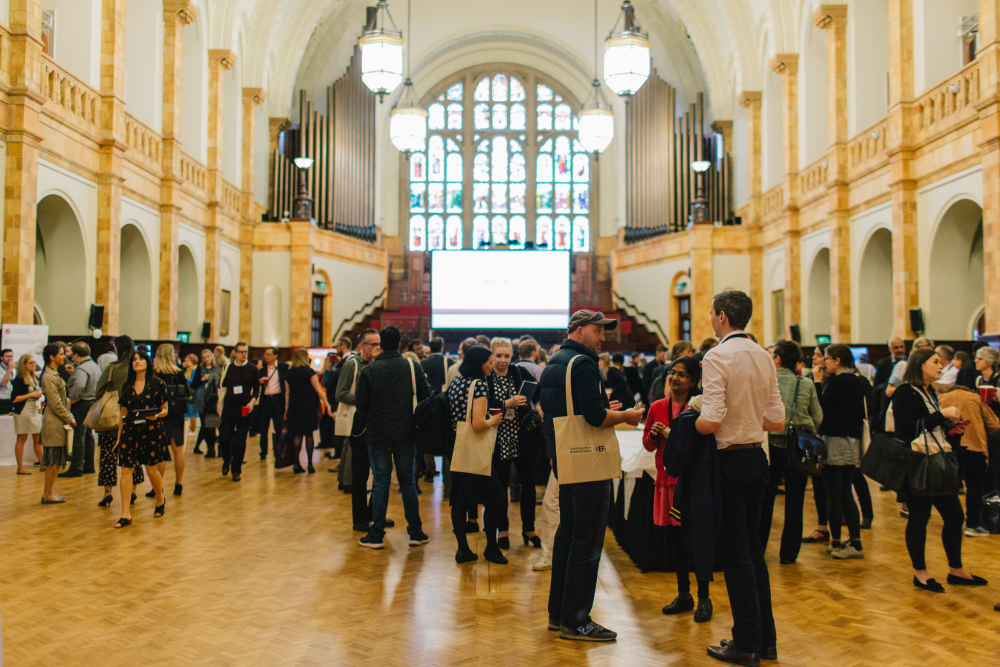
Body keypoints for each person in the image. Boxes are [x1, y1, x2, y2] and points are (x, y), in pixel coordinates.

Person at [540, 309, 643, 642]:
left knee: (568, 537)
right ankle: (578, 620)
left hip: (567, 459)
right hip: (588, 464)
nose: (603, 338)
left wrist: (554, 456)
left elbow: (551, 415)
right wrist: (627, 414)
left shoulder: (555, 361)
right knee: (586, 541)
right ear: (580, 330)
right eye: (599, 331)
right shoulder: (584, 365)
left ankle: (559, 614)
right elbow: (596, 417)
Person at [696, 291, 785, 666]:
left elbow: (712, 420)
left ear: (721, 317)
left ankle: (745, 643)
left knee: (735, 556)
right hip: (757, 458)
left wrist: (692, 417)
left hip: (729, 463)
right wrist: (747, 417)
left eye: (712, 315)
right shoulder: (764, 354)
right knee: (754, 554)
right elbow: (777, 419)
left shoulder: (717, 355)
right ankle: (765, 640)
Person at [891, 348, 986, 592]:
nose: (940, 365)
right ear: (919, 365)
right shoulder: (905, 392)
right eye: (935, 362)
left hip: (938, 461)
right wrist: (941, 414)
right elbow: (906, 430)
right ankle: (920, 573)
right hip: (919, 463)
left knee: (955, 517)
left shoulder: (929, 391)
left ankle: (956, 570)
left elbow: (934, 429)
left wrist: (954, 430)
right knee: (919, 519)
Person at [643, 357, 712, 621]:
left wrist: (674, 436)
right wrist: (653, 436)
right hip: (666, 480)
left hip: (691, 483)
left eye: (682, 375)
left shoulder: (700, 408)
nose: (674, 378)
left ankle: (704, 597)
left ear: (693, 382)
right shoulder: (658, 406)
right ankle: (684, 594)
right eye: (673, 373)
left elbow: (702, 446)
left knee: (696, 541)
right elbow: (648, 445)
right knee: (676, 544)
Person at [354, 326, 431, 549]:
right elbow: (426, 395)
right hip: (406, 433)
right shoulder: (411, 366)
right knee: (407, 483)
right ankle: (416, 532)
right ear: (399, 344)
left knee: (380, 483)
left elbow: (361, 406)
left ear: (380, 346)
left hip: (377, 435)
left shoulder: (370, 370)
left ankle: (376, 534)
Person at [759, 340, 822, 565]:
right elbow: (817, 418)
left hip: (771, 445)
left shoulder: (766, 381)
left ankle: (759, 550)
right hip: (799, 447)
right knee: (795, 502)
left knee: (765, 500)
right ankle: (789, 554)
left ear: (777, 359)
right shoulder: (806, 383)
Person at [446, 344, 507, 563]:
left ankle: (462, 549)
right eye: (490, 361)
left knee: (459, 499)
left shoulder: (456, 382)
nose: (492, 365)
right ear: (480, 363)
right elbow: (478, 424)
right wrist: (494, 420)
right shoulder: (479, 385)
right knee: (497, 497)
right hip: (474, 449)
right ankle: (491, 546)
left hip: (456, 446)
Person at [813, 344, 871, 559]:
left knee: (833, 493)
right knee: (845, 491)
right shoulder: (857, 379)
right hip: (852, 441)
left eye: (826, 359)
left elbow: (821, 408)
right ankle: (855, 541)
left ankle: (837, 542)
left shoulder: (838, 381)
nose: (824, 363)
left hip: (836, 441)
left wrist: (818, 384)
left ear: (837, 360)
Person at [112, 349, 170, 528]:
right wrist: (119, 436)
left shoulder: (158, 384)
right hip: (130, 430)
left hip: (151, 430)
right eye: (134, 360)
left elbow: (165, 409)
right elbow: (123, 413)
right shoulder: (127, 386)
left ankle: (160, 498)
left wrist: (157, 415)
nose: (136, 362)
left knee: (151, 470)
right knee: (126, 470)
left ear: (148, 362)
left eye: (140, 359)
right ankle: (125, 513)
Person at [488, 337, 537, 549]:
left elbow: (537, 389)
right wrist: (506, 403)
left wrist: (537, 405)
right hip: (497, 438)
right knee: (500, 488)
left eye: (507, 356)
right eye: (498, 356)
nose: (503, 360)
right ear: (492, 356)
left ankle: (529, 529)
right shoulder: (486, 377)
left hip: (522, 436)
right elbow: (483, 404)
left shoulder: (517, 372)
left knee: (529, 486)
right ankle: (503, 530)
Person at [939, 385, 998, 536]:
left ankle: (952, 522)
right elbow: (994, 424)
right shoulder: (976, 398)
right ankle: (972, 524)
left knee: (950, 487)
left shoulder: (940, 399)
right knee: (974, 487)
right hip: (974, 447)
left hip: (947, 447)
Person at [339, 329, 380, 530]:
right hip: (358, 425)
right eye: (373, 344)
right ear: (362, 345)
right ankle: (360, 519)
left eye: (379, 345)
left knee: (379, 474)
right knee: (360, 474)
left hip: (375, 424)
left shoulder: (377, 365)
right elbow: (341, 393)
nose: (377, 348)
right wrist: (364, 400)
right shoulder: (352, 364)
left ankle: (374, 514)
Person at [95, 336, 143, 507]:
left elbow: (99, 390)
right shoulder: (138, 367)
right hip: (133, 417)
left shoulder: (112, 368)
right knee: (133, 456)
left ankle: (108, 492)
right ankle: (133, 491)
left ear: (118, 348)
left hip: (112, 419)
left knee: (108, 456)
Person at [217, 342, 260, 482]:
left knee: (241, 442)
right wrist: (219, 404)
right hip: (228, 408)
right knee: (224, 438)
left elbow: (257, 390)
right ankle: (227, 459)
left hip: (244, 409)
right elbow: (222, 387)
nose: (244, 354)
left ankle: (236, 470)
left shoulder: (252, 369)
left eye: (246, 352)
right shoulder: (228, 367)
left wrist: (252, 402)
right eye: (241, 351)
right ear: (235, 353)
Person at [284, 347, 331, 473]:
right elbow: (318, 390)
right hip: (308, 405)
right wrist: (327, 404)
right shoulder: (309, 372)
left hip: (294, 406)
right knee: (309, 434)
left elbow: (287, 393)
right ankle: (310, 463)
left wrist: (286, 410)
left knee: (297, 434)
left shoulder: (289, 373)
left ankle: (296, 463)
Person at [40, 344, 76, 504]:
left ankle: (50, 491)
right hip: (54, 421)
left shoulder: (54, 374)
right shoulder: (48, 376)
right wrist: (69, 417)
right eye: (61, 354)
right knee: (54, 460)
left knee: (58, 460)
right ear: (51, 357)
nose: (64, 357)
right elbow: (55, 403)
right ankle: (47, 493)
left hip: (58, 420)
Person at [152, 344, 188, 496]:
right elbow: (185, 393)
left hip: (160, 414)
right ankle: (178, 483)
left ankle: (158, 487)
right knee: (178, 449)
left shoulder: (154, 373)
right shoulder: (178, 372)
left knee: (161, 452)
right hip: (177, 414)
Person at [60, 342, 100, 477]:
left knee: (78, 436)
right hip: (93, 402)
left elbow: (79, 385)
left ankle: (76, 467)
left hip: (82, 403)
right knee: (89, 435)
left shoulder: (82, 369)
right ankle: (89, 465)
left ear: (76, 355)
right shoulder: (94, 366)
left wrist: (71, 400)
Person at [11, 354, 43, 474]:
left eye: (34, 362)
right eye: (31, 363)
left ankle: (42, 463)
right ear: (24, 365)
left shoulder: (34, 377)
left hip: (34, 410)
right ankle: (20, 468)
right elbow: (15, 398)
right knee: (22, 437)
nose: (34, 365)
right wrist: (32, 395)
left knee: (38, 437)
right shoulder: (19, 379)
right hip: (23, 410)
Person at [256, 346, 287, 461]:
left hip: (277, 399)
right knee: (263, 428)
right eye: (265, 354)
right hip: (265, 400)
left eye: (269, 354)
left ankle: (277, 450)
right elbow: (254, 381)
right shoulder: (261, 368)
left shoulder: (283, 367)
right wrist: (259, 380)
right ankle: (263, 452)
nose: (266, 356)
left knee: (278, 427)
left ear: (275, 356)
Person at [191, 349, 221, 456]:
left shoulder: (217, 368)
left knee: (212, 424)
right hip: (201, 398)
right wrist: (203, 379)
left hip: (212, 399)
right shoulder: (200, 369)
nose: (206, 359)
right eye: (204, 357)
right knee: (205, 424)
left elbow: (220, 383)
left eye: (208, 356)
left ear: (212, 356)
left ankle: (210, 449)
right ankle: (209, 449)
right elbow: (193, 384)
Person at [0, 348, 13, 414]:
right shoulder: (2, 369)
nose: (10, 358)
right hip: (2, 400)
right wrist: (10, 369)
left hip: (11, 399)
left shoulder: (14, 369)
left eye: (11, 356)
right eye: (7, 356)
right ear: (1, 358)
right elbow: (3, 383)